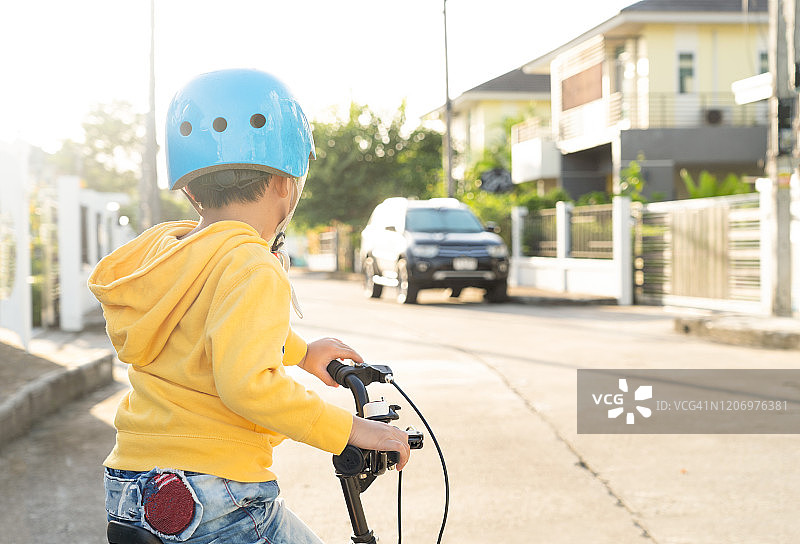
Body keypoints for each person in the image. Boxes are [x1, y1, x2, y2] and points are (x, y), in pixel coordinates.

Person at [89, 68, 410, 544]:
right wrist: (351, 429)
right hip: (213, 492)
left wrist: (300, 353)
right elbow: (247, 386)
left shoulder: (170, 253)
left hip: (134, 486)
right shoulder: (253, 265)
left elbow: (211, 326)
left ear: (191, 190)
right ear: (287, 182)